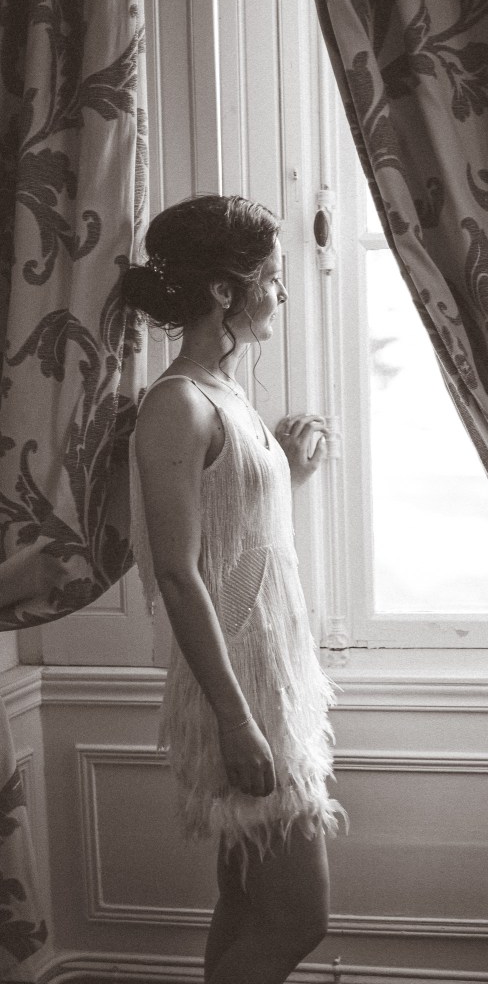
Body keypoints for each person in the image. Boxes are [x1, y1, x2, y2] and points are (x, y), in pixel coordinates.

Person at [121, 194, 346, 984]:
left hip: (267, 675)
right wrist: (236, 720)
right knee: (298, 919)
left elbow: (242, 537)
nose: (281, 292)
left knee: (250, 904)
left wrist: (290, 468)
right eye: (273, 278)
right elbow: (178, 574)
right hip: (237, 690)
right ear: (225, 289)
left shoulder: (226, 392)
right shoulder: (176, 404)